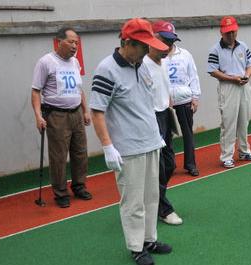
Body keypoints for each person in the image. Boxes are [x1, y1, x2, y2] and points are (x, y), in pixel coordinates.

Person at [89, 18, 172, 265]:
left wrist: (156, 135)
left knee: (151, 197)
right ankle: (137, 247)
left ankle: (150, 239)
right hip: (128, 148)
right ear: (127, 42)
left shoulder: (141, 65)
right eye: (143, 46)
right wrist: (107, 146)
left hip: (150, 142)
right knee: (133, 201)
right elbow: (97, 111)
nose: (148, 51)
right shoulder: (106, 69)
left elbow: (146, 104)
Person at [31, 26, 92, 208]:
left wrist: (85, 110)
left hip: (76, 113)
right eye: (71, 42)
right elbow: (35, 91)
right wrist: (37, 116)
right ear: (59, 42)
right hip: (56, 115)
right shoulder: (46, 62)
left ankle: (79, 186)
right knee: (59, 156)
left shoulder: (74, 62)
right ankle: (60, 192)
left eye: (77, 43)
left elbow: (79, 89)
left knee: (80, 152)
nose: (75, 46)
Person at [143, 21, 183, 226]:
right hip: (150, 119)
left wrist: (170, 106)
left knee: (170, 164)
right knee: (157, 167)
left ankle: (153, 201)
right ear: (153, 40)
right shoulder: (142, 65)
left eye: (171, 42)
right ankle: (163, 208)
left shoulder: (165, 62)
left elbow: (164, 89)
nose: (168, 47)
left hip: (165, 115)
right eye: (165, 42)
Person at [207, 16, 251, 169]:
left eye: (233, 32)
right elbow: (212, 71)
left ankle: (244, 151)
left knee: (244, 121)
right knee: (229, 122)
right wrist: (232, 78)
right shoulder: (215, 49)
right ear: (221, 33)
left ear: (236, 30)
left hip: (243, 86)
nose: (231, 35)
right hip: (227, 87)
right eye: (227, 33)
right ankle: (226, 156)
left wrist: (246, 76)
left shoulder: (243, 46)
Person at [154, 20, 201, 177]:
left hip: (184, 100)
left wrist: (195, 97)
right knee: (167, 134)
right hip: (165, 103)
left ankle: (190, 164)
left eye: (171, 39)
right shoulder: (157, 56)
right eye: (166, 39)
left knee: (187, 132)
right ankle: (169, 164)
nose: (169, 42)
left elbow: (193, 76)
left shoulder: (185, 54)